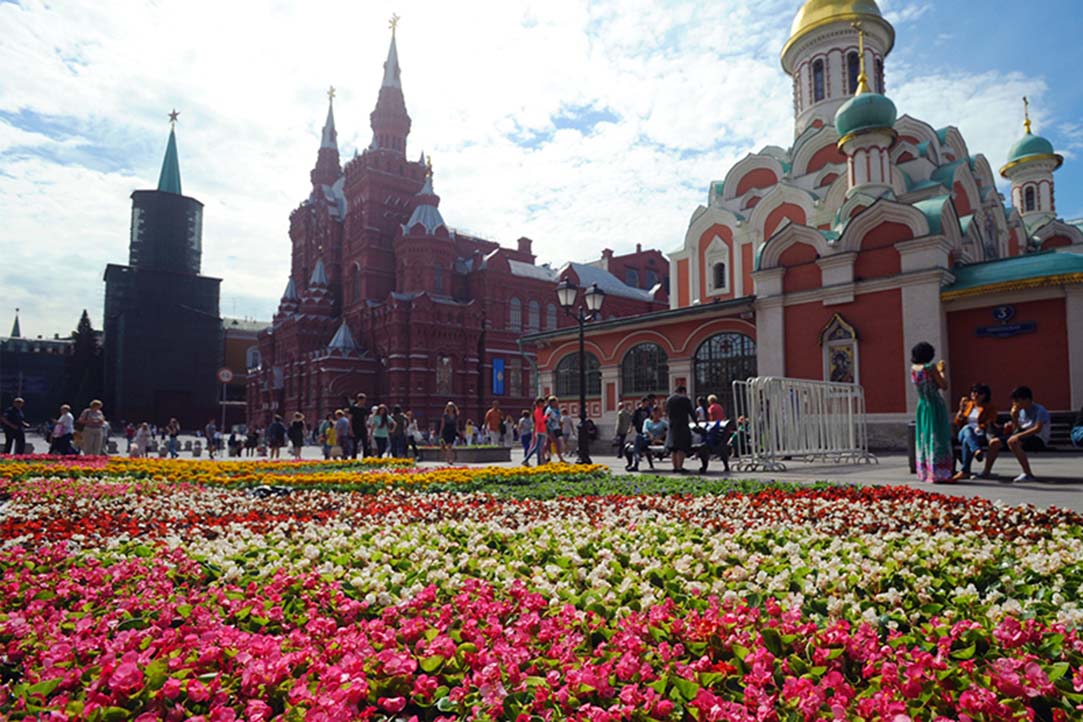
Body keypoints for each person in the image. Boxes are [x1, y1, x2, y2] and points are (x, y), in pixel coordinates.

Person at [986, 386, 1051, 483]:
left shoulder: (1040, 410)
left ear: (1027, 399)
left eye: (1017, 400)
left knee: (1013, 442)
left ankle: (1028, 474)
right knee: (994, 442)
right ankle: (986, 472)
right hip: (1022, 437)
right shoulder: (1020, 411)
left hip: (1038, 438)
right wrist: (1014, 418)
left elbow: (1037, 429)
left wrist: (1017, 436)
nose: (1015, 403)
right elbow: (1016, 430)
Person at [910, 342, 954, 483]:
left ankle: (924, 470)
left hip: (922, 404)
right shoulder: (930, 367)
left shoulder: (914, 368)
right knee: (937, 436)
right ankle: (939, 471)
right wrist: (942, 371)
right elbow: (944, 385)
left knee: (924, 436)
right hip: (934, 404)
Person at [952, 383, 998, 481]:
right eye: (973, 392)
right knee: (967, 428)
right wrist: (961, 409)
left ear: (985, 395)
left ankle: (965, 471)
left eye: (979, 393)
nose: (975, 395)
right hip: (963, 432)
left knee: (966, 441)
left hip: (979, 434)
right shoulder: (968, 405)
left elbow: (991, 421)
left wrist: (981, 427)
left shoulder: (990, 408)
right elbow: (957, 422)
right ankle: (976, 450)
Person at [665, 385, 695, 473]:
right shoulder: (685, 399)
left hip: (672, 426)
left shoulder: (669, 400)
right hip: (682, 426)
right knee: (682, 447)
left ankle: (675, 467)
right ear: (683, 391)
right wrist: (696, 423)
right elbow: (691, 412)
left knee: (673, 448)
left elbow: (667, 412)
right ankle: (680, 467)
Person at [627, 397, 653, 471]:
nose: (647, 405)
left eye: (648, 403)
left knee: (641, 445)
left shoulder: (648, 410)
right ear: (642, 402)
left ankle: (640, 462)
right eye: (646, 403)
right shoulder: (637, 411)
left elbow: (651, 419)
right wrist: (630, 428)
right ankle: (637, 460)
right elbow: (633, 420)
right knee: (640, 443)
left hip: (647, 431)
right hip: (639, 430)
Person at [522, 398, 549, 466]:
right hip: (540, 431)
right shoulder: (538, 411)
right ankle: (526, 460)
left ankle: (538, 462)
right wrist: (546, 417)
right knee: (537, 447)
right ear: (539, 403)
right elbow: (539, 421)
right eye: (542, 403)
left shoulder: (539, 410)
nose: (543, 404)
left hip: (541, 430)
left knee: (539, 448)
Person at [347, 393, 371, 459]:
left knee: (365, 444)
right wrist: (350, 429)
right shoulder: (353, 408)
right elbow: (350, 419)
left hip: (362, 428)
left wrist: (367, 430)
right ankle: (353, 459)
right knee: (355, 445)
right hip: (355, 428)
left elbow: (365, 420)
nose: (364, 401)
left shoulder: (365, 409)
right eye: (363, 400)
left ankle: (365, 458)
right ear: (359, 400)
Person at [545, 397, 566, 463]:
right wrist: (547, 429)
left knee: (548, 443)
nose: (557, 403)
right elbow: (547, 420)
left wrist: (560, 423)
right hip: (551, 429)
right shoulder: (549, 410)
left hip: (557, 428)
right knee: (557, 443)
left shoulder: (556, 410)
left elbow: (558, 418)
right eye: (555, 402)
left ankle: (546, 456)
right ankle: (560, 458)